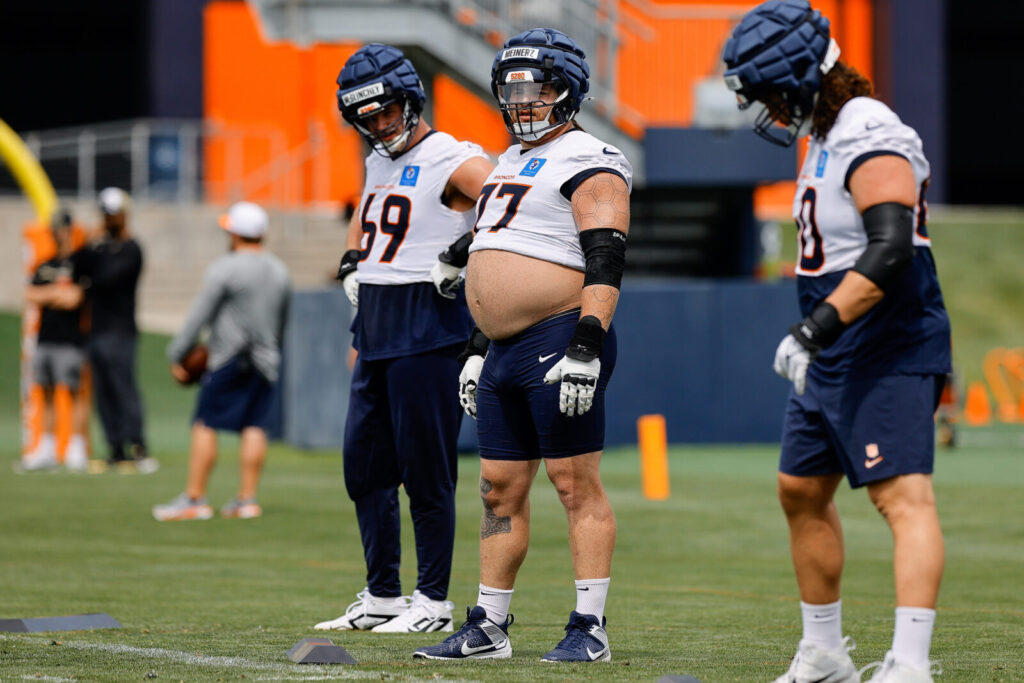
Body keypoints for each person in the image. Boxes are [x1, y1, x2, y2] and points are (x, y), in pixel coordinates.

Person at [721, 2, 951, 682]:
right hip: (837, 346)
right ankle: (824, 653)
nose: (763, 106)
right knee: (799, 487)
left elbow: (890, 251)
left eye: (765, 89)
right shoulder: (825, 133)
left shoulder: (868, 129)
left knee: (901, 496)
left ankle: (910, 664)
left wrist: (815, 328)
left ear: (796, 76)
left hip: (886, 338)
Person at [414, 28, 631, 663]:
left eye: (535, 89)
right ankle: (489, 625)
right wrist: (479, 346)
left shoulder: (593, 157)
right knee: (497, 489)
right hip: (505, 347)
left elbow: (605, 258)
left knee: (573, 483)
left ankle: (588, 628)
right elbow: (493, 254)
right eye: (512, 91)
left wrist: (588, 342)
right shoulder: (508, 159)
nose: (522, 102)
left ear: (566, 92)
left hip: (561, 334)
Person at [311, 43, 494, 633]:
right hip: (379, 328)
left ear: (411, 101)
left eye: (386, 111)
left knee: (427, 473)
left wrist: (462, 250)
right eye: (366, 117)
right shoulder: (379, 160)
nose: (378, 125)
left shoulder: (449, 156)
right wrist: (350, 260)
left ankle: (433, 601)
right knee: (364, 470)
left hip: (427, 324)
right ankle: (383, 593)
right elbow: (369, 212)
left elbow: (510, 199)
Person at [152, 202, 291, 521]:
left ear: (235, 233)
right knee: (255, 426)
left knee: (205, 423)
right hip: (265, 360)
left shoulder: (225, 268)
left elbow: (199, 315)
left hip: (229, 357)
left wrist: (178, 354)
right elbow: (283, 322)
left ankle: (195, 498)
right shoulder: (279, 271)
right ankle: (247, 499)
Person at [73, 187, 155, 473]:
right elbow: (75, 268)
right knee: (103, 392)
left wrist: (91, 276)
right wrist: (89, 241)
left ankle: (138, 446)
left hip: (121, 331)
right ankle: (116, 448)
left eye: (112, 214)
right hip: (96, 330)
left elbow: (108, 278)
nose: (108, 219)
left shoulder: (132, 249)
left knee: (123, 388)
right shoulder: (97, 248)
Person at [20, 209, 88, 472]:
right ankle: (46, 448)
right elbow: (30, 293)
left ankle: (76, 447)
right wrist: (55, 293)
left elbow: (75, 298)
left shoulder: (79, 262)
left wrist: (49, 295)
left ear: (70, 229)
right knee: (45, 392)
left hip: (70, 339)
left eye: (61, 228)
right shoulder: (45, 264)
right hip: (45, 338)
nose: (57, 234)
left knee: (73, 393)